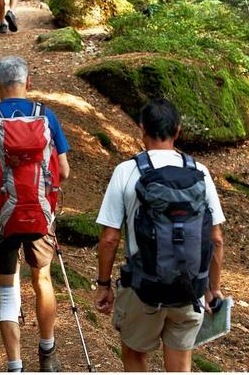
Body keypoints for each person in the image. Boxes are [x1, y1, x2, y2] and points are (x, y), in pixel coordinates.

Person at [94, 99, 226, 372]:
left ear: (141, 130)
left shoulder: (126, 171)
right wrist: (212, 289)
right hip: (189, 288)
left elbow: (109, 238)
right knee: (180, 364)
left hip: (143, 288)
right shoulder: (199, 172)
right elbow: (216, 239)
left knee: (134, 354)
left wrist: (104, 284)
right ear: (178, 130)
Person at [0, 56, 70, 372]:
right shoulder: (45, 116)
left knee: (8, 290)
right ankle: (47, 355)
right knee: (42, 280)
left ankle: (15, 365)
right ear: (28, 82)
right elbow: (64, 170)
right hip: (39, 216)